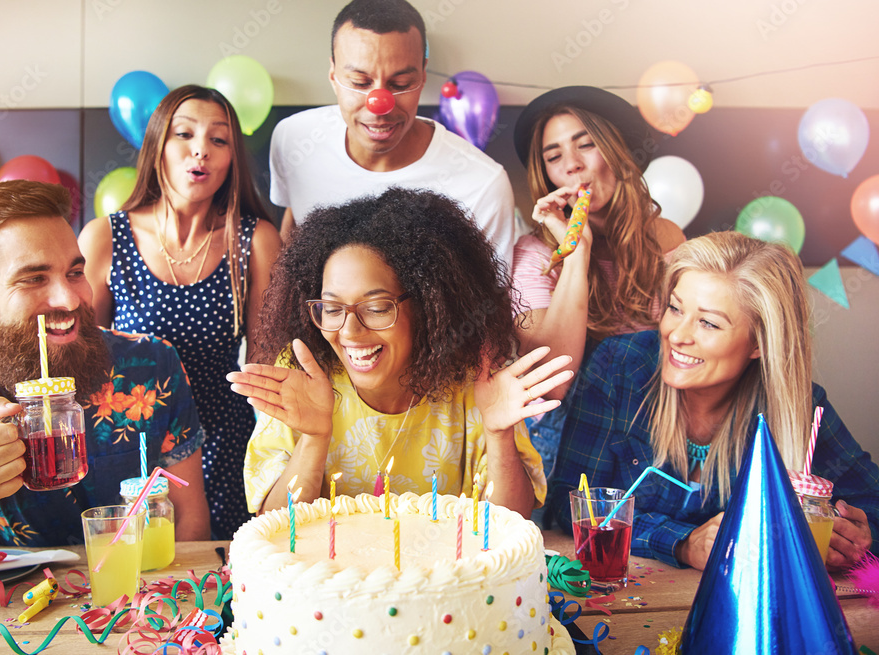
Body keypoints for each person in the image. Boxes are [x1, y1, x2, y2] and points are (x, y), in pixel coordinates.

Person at [0, 180, 210, 557]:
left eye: (74, 272)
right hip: (0, 610)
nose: (69, 300)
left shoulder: (152, 363)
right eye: (34, 278)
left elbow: (190, 519)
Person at [229, 187, 574, 518]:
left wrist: (498, 436)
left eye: (377, 307)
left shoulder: (476, 378)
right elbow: (271, 525)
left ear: (428, 307)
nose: (349, 331)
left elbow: (511, 523)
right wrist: (314, 439)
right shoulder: (302, 372)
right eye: (332, 309)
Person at [548, 231, 878, 571]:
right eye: (675, 308)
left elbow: (872, 504)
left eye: (708, 323)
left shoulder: (797, 407)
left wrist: (857, 537)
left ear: (759, 343)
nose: (676, 335)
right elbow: (569, 502)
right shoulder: (619, 366)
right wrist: (682, 544)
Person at [79, 85, 281, 540]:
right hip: (134, 445)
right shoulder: (104, 238)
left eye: (219, 140)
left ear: (231, 158)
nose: (200, 151)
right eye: (184, 134)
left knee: (219, 587)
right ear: (158, 148)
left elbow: (267, 366)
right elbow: (78, 357)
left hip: (225, 441)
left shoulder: (254, 240)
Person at [510, 86, 686, 479]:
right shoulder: (534, 256)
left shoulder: (668, 239)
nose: (571, 165)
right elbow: (551, 386)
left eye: (585, 145)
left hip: (658, 432)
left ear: (618, 150)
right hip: (566, 451)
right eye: (554, 157)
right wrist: (577, 250)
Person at [268, 0, 519, 270]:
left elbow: (490, 302)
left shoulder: (482, 185)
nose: (380, 104)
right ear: (333, 75)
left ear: (423, 75)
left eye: (400, 84)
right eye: (360, 83)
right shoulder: (293, 138)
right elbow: (294, 224)